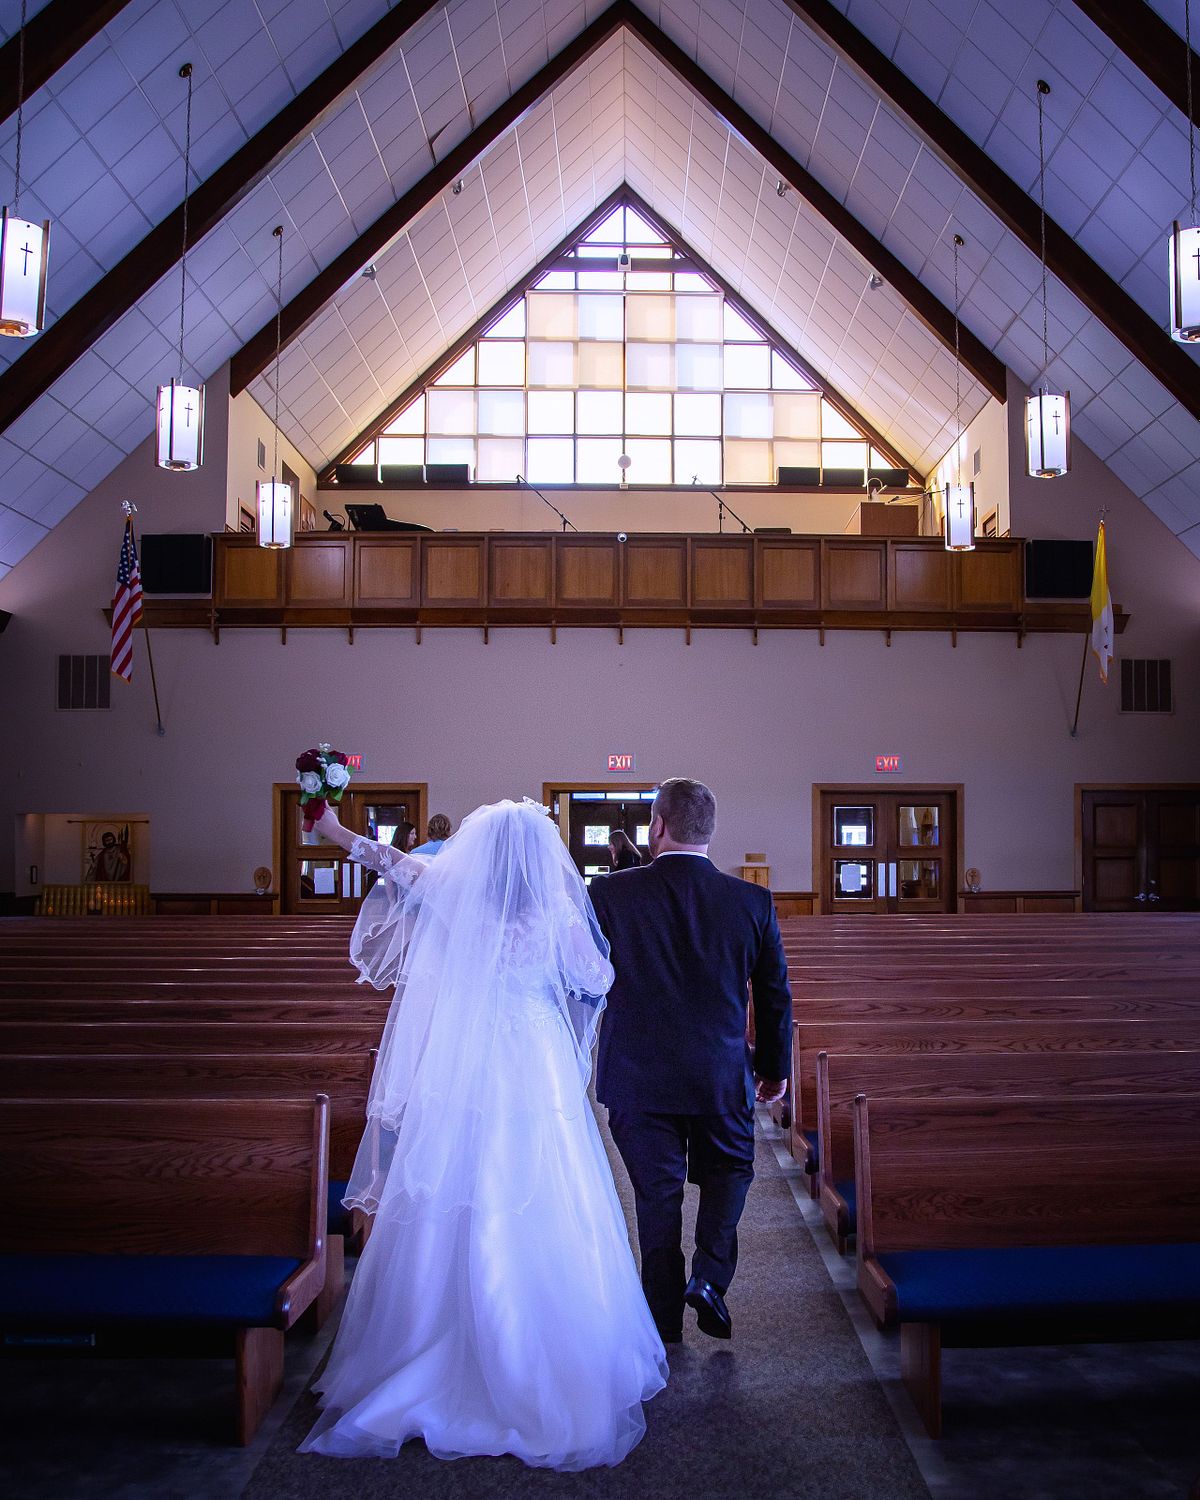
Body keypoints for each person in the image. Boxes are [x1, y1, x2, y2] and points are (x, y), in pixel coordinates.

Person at [299, 798, 667, 1469]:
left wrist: (330, 830)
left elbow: (389, 860)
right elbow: (597, 978)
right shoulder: (557, 909)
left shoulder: (451, 889)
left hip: (463, 1065)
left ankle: (429, 1346)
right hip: (533, 1061)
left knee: (454, 1186)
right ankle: (547, 1359)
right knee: (544, 1186)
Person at [588, 777, 791, 1346]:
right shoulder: (751, 901)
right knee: (730, 1172)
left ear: (656, 827)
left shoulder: (610, 895)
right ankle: (708, 1279)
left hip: (637, 1077)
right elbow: (774, 993)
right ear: (709, 831)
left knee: (658, 1196)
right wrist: (774, 1068)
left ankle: (662, 1323)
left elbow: (583, 980)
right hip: (719, 1074)